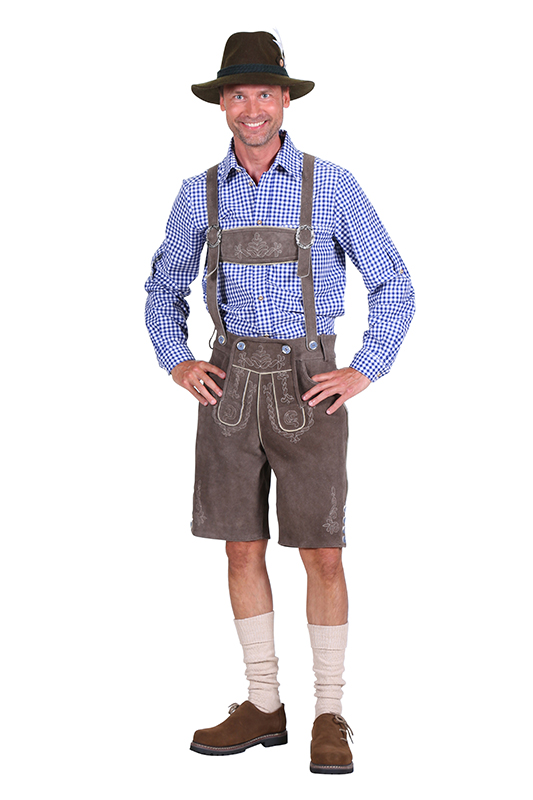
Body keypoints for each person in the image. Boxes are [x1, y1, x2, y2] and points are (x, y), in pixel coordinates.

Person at [145, 30, 415, 775]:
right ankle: (264, 703)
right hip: (228, 384)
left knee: (322, 550)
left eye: (264, 92)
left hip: (309, 384)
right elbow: (162, 287)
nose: (252, 107)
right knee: (240, 545)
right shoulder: (197, 192)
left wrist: (364, 369)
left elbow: (393, 283)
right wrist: (177, 359)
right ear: (222, 105)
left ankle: (329, 713)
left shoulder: (332, 185)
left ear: (286, 99)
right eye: (238, 94)